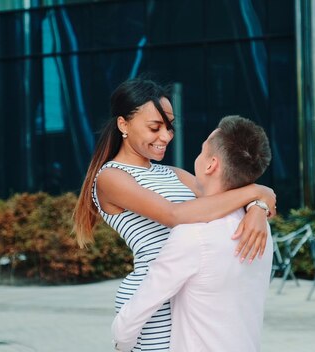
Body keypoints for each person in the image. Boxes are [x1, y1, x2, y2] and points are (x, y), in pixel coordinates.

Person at [73, 78, 276, 351]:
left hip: (188, 299)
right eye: (155, 127)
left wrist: (258, 206)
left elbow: (221, 200)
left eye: (168, 127)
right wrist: (258, 191)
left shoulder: (174, 174)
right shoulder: (111, 177)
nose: (166, 136)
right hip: (151, 304)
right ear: (123, 125)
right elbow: (174, 214)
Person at [111, 116, 273, 351]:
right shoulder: (260, 226)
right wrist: (258, 201)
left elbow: (144, 303)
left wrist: (120, 341)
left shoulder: (194, 234)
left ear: (211, 165)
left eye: (202, 150)